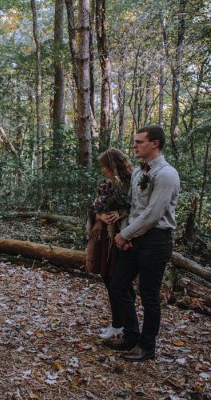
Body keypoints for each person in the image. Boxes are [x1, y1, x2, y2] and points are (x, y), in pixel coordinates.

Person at [106, 125, 180, 362]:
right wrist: (126, 234)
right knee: (118, 285)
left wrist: (125, 234)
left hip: (156, 240)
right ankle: (131, 335)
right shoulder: (139, 172)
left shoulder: (167, 174)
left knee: (148, 294)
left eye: (139, 141)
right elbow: (133, 207)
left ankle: (147, 346)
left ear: (155, 143)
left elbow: (153, 213)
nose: (135, 145)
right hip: (134, 237)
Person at [86, 148, 134, 339]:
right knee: (109, 278)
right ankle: (118, 323)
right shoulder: (105, 184)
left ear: (113, 165)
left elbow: (137, 208)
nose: (103, 170)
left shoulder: (131, 182)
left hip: (122, 237)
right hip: (104, 237)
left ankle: (123, 324)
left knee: (119, 282)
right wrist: (100, 215)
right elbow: (93, 207)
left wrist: (120, 213)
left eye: (105, 166)